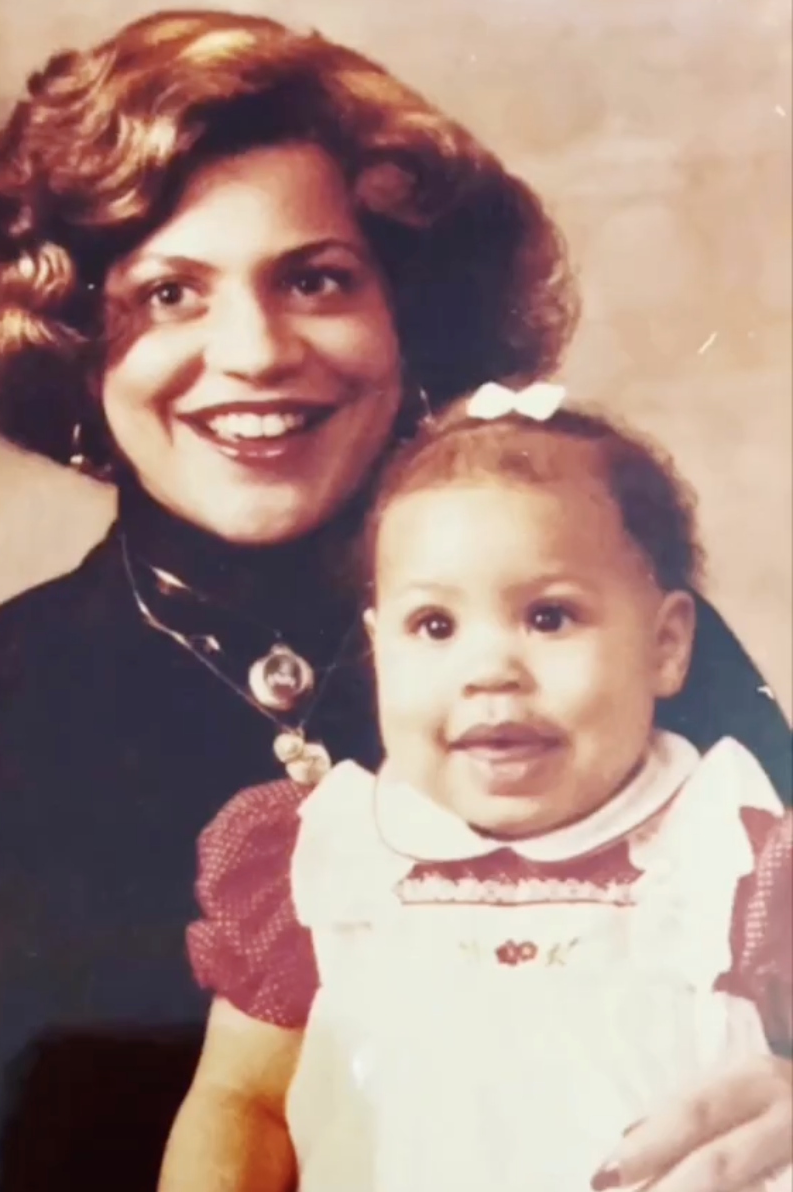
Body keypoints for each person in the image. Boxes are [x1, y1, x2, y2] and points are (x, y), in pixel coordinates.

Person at [0, 8, 789, 1192]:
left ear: (409, 317)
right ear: (66, 339)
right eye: (167, 294)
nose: (252, 350)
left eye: (314, 278)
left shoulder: (617, 653)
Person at [163, 388, 793, 1192]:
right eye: (434, 626)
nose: (490, 670)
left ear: (665, 647)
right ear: (378, 648)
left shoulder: (736, 859)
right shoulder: (325, 860)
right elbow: (241, 1101)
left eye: (550, 617)